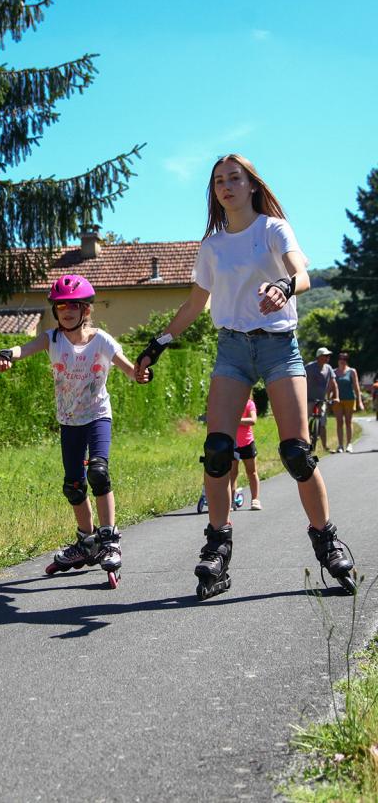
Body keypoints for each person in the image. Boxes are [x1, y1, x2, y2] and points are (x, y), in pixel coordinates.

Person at [134, 153, 355, 599]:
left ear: (252, 184)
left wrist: (285, 287)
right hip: (232, 346)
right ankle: (217, 548)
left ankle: (327, 542)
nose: (226, 186)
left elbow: (302, 272)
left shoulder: (273, 228)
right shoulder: (213, 245)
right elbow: (197, 303)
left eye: (234, 178)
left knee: (296, 453)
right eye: (219, 181)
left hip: (278, 344)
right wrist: (158, 343)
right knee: (218, 450)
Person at [0, 274, 151, 589]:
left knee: (99, 473)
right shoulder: (51, 339)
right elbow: (24, 348)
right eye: (60, 306)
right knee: (73, 486)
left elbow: (129, 368)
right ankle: (86, 541)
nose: (65, 311)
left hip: (97, 418)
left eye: (72, 306)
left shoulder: (101, 340)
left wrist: (140, 374)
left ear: (86, 310)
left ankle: (109, 538)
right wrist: (6, 354)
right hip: (69, 422)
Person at [230, 393, 262, 511]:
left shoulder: (249, 404)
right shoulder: (231, 404)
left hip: (247, 443)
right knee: (232, 473)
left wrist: (237, 420)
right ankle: (231, 501)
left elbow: (253, 420)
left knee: (251, 472)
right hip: (233, 443)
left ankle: (255, 499)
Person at [305, 346, 339, 453]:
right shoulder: (309, 367)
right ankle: (306, 445)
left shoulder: (328, 368)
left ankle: (325, 446)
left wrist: (336, 397)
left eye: (328, 356)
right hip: (308, 399)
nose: (328, 357)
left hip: (321, 400)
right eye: (325, 356)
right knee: (305, 422)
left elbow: (334, 384)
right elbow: (301, 380)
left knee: (323, 423)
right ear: (319, 357)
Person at [333, 351, 364, 452]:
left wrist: (360, 402)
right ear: (338, 360)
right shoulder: (334, 372)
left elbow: (356, 387)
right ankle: (340, 445)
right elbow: (331, 386)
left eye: (344, 359)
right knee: (339, 422)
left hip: (350, 399)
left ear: (346, 361)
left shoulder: (352, 371)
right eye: (341, 359)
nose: (342, 361)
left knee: (348, 421)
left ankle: (349, 444)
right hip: (337, 400)